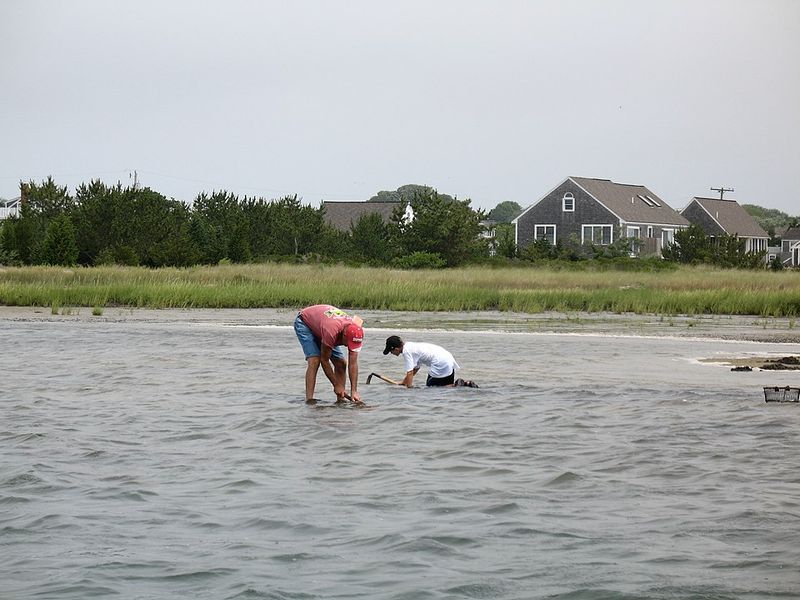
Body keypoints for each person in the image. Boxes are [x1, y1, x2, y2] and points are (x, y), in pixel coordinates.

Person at [294, 305, 364, 403]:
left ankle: (341, 399)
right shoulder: (331, 332)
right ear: (344, 335)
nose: (348, 346)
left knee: (341, 363)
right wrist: (336, 384)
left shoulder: (356, 332)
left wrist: (354, 391)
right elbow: (324, 360)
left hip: (323, 324)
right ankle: (309, 400)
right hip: (305, 322)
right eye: (347, 343)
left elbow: (353, 363)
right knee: (315, 360)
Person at [382, 335, 477, 388]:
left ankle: (457, 384)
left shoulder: (407, 351)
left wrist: (408, 388)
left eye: (391, 351)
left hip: (440, 362)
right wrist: (404, 382)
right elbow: (415, 369)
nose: (391, 353)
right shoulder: (411, 346)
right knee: (446, 388)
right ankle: (465, 384)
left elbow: (410, 372)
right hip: (448, 359)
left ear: (396, 348)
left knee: (431, 387)